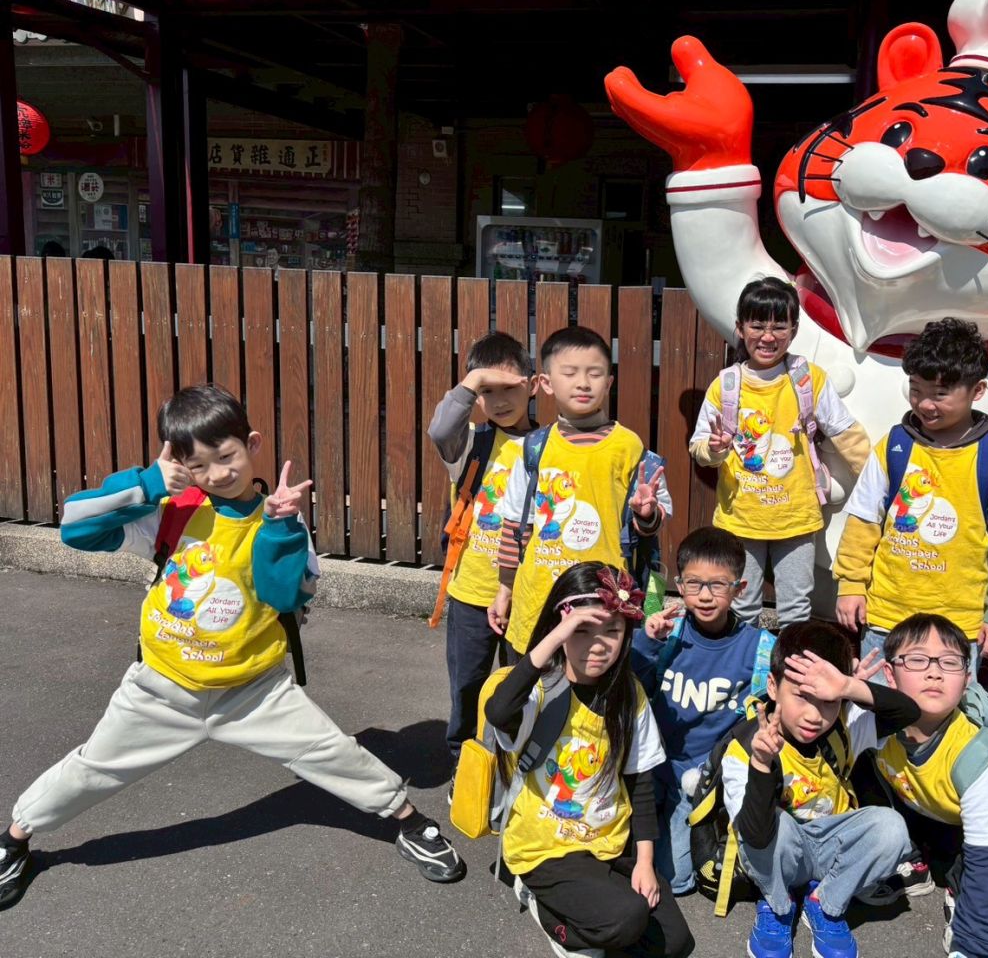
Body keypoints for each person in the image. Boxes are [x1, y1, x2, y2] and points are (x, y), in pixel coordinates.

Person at [0, 384, 463, 910]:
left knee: (331, 752)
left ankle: (408, 820)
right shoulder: (170, 511)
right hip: (161, 689)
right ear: (180, 465)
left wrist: (283, 527)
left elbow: (284, 594)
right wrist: (150, 483)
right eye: (199, 465)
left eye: (227, 456)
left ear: (253, 444)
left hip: (254, 691)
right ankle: (14, 839)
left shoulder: (281, 520)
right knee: (94, 768)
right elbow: (75, 529)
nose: (218, 473)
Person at [484, 562, 693, 958]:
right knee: (626, 919)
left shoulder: (629, 695)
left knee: (676, 943)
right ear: (559, 630)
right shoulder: (542, 688)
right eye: (581, 631)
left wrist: (645, 863)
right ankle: (545, 908)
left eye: (612, 631)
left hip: (608, 839)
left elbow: (641, 785)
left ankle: (596, 914)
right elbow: (499, 711)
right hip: (545, 846)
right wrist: (555, 637)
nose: (598, 645)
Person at [834, 317, 988, 680]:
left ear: (978, 391)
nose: (925, 404)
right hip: (886, 615)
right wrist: (850, 585)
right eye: (916, 389)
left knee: (947, 719)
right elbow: (863, 521)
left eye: (940, 394)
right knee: (876, 710)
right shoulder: (895, 446)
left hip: (958, 622)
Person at [723, 621, 917, 958]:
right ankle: (777, 905)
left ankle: (825, 903)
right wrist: (761, 764)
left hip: (830, 849)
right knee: (778, 824)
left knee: (892, 828)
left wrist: (850, 688)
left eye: (827, 701)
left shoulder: (844, 726)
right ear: (773, 686)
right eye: (801, 696)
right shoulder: (744, 749)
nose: (814, 715)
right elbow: (754, 834)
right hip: (775, 853)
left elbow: (908, 712)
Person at [689, 277, 870, 627]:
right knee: (741, 608)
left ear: (794, 329)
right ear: (740, 328)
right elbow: (700, 449)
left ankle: (790, 676)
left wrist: (884, 479)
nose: (768, 336)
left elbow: (846, 433)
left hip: (796, 518)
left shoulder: (808, 379)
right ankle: (746, 676)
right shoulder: (726, 385)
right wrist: (713, 450)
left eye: (778, 326)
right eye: (757, 325)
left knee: (795, 610)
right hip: (740, 519)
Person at [872, 614, 988, 958]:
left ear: (967, 679)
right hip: (928, 806)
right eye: (918, 659)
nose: (934, 672)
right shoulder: (875, 724)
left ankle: (961, 890)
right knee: (860, 769)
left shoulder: (972, 755)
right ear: (889, 675)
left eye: (950, 662)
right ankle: (911, 858)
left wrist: (973, 947)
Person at [489, 326, 672, 659]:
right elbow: (516, 528)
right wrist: (504, 590)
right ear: (545, 383)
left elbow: (654, 529)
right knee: (536, 693)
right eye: (570, 373)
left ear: (609, 383)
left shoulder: (630, 448)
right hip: (538, 600)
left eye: (595, 373)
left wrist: (646, 515)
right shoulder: (534, 448)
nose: (583, 383)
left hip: (604, 604)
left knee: (594, 694)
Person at [630, 526, 776, 895]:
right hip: (651, 765)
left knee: (677, 881)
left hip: (701, 777)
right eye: (694, 584)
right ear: (679, 584)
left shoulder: (758, 647)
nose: (706, 596)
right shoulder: (667, 633)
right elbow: (627, 680)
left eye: (719, 585)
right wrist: (647, 641)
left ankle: (703, 821)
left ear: (739, 589)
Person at [428, 331, 537, 781]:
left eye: (509, 388)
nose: (499, 400)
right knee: (467, 688)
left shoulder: (548, 444)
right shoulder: (469, 443)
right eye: (487, 392)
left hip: (526, 591)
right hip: (471, 592)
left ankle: (516, 768)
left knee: (519, 689)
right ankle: (466, 768)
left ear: (533, 385)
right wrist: (473, 379)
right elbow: (439, 429)